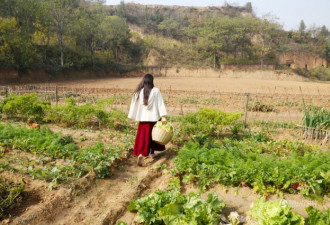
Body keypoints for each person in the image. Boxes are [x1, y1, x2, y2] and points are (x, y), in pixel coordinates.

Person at [128, 74, 167, 166]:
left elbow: (134, 104)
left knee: (143, 137)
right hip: (154, 119)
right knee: (154, 137)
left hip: (143, 119)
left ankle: (141, 153)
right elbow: (160, 104)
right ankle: (152, 153)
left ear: (144, 81)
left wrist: (133, 116)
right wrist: (163, 116)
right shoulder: (156, 91)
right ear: (152, 81)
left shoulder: (139, 92)